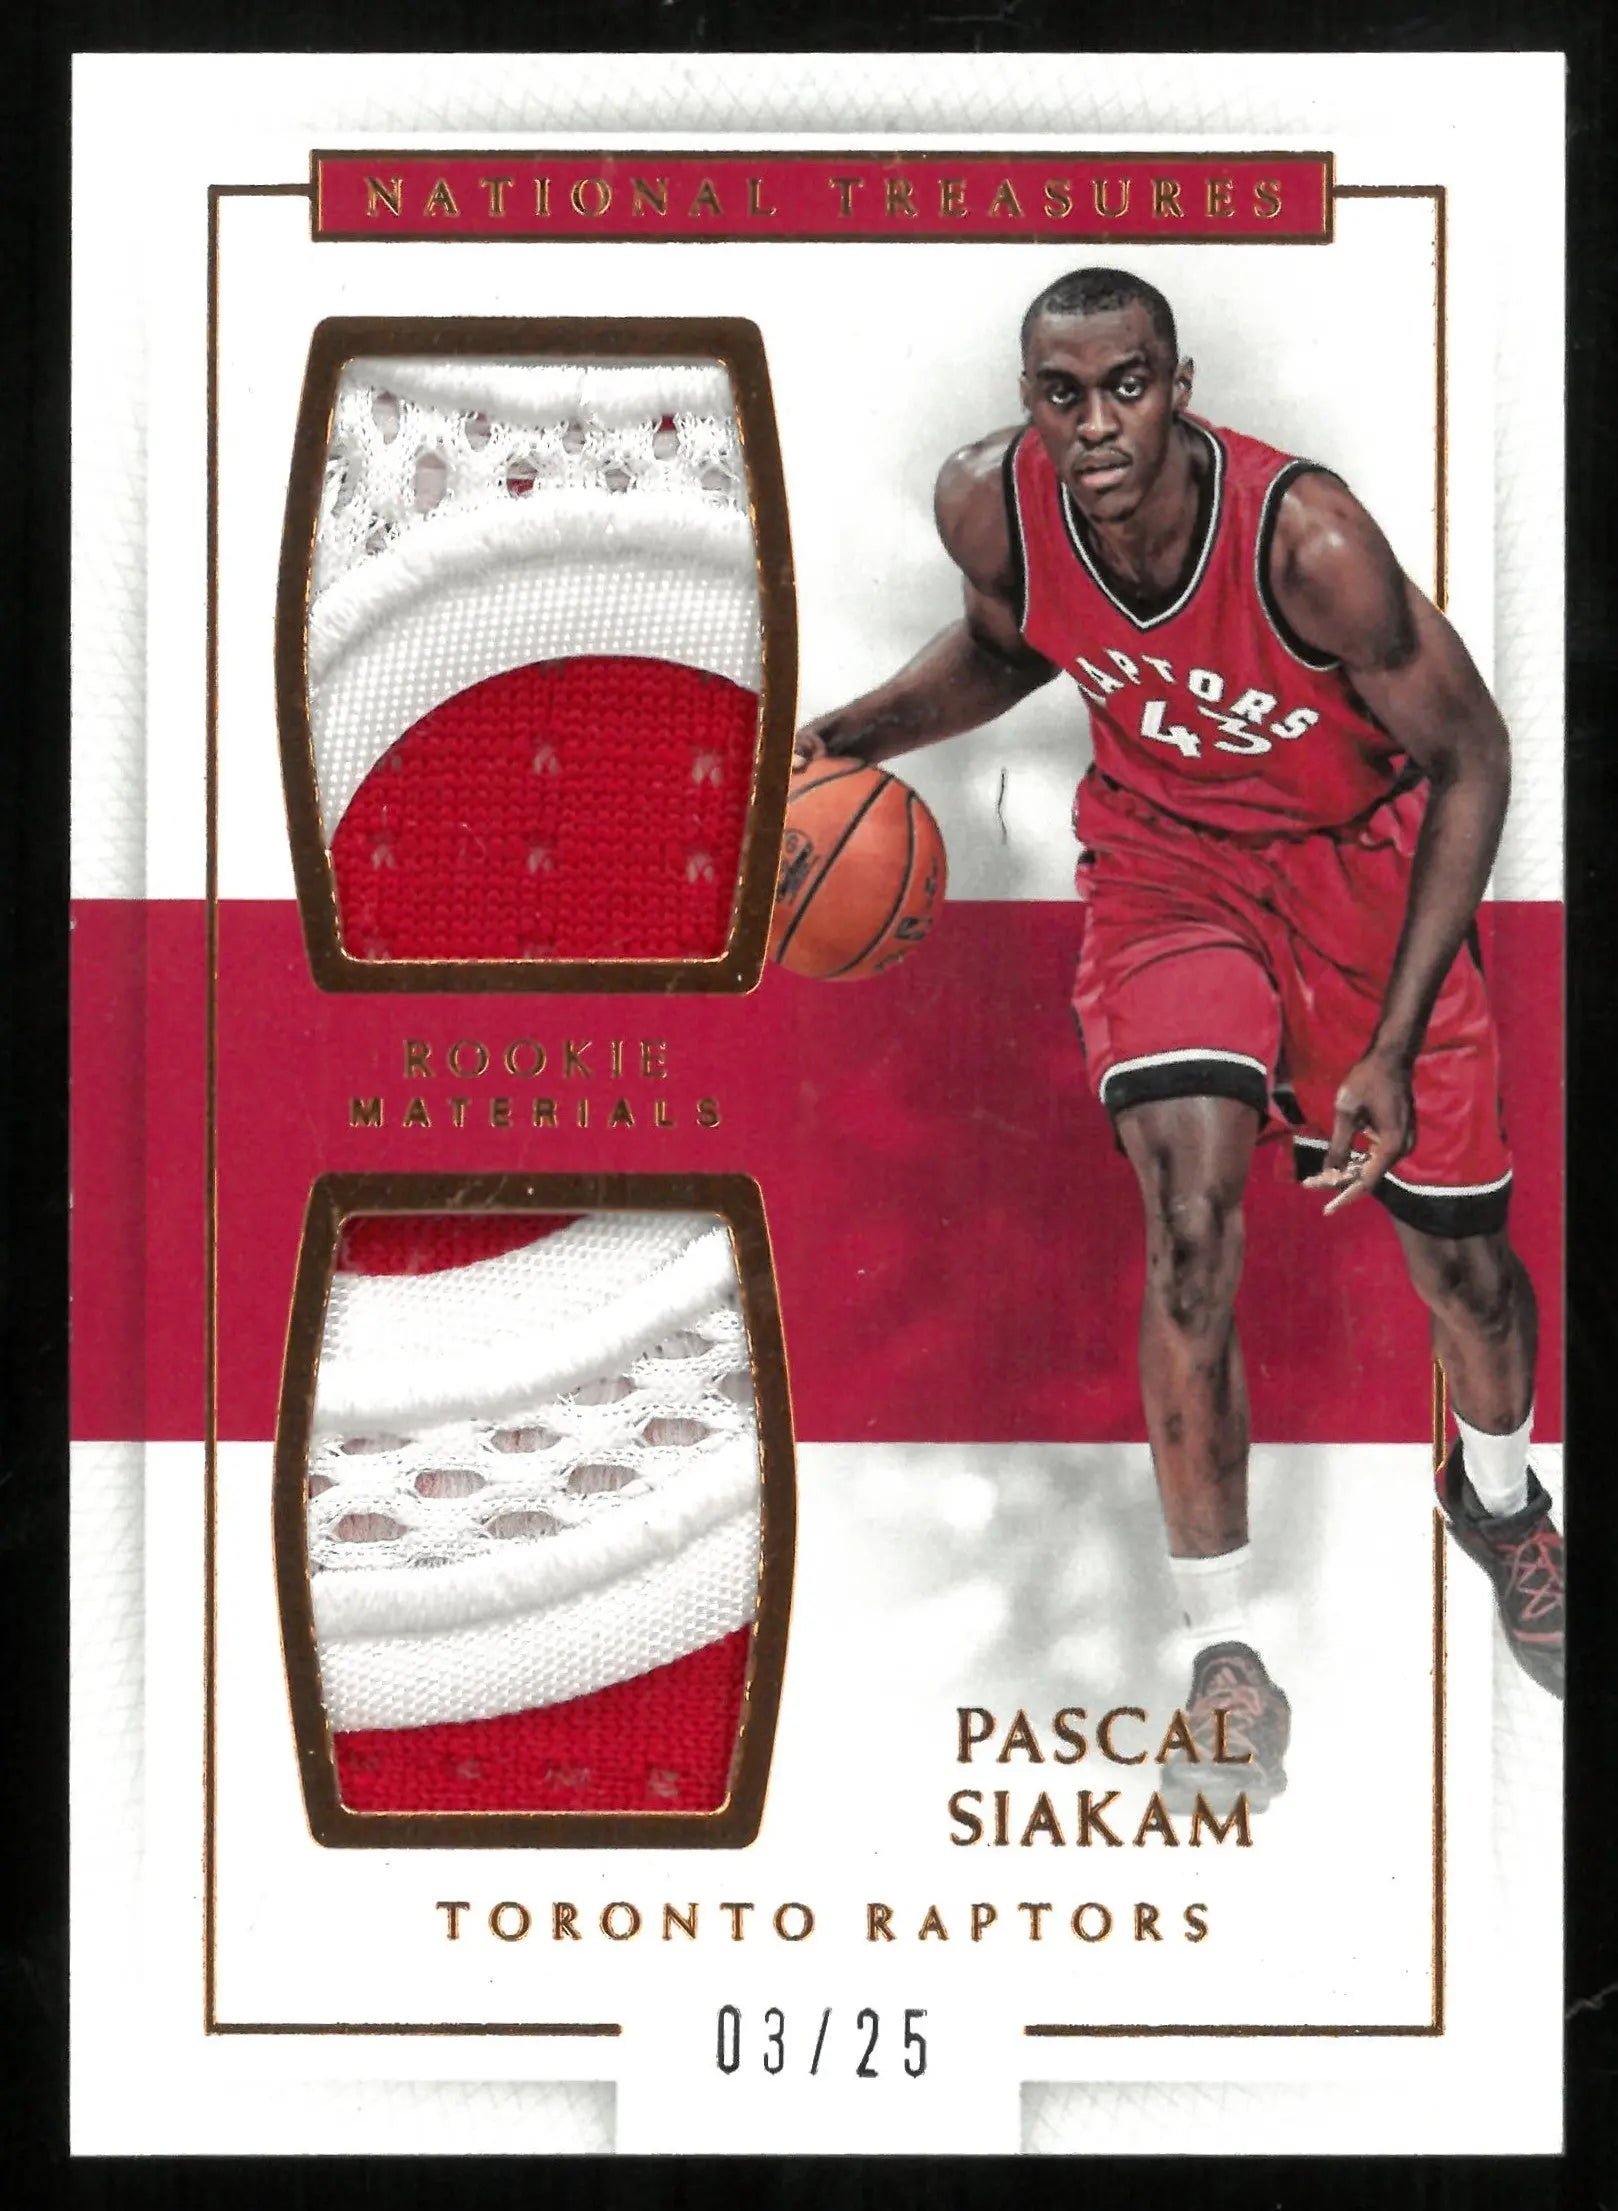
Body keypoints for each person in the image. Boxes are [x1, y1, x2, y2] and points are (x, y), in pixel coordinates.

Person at [795, 267, 1563, 1807]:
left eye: (1126, 387)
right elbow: (1012, 646)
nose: (1095, 425)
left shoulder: (1308, 544)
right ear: (1029, 401)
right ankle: (1223, 1657)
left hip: (1358, 871)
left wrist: (1393, 1038)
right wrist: (846, 738)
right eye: (1060, 394)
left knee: (1463, 1274)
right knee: (1190, 1233)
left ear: (1180, 385)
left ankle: (1495, 1502)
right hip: (1166, 870)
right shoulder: (993, 506)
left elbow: (1472, 755)